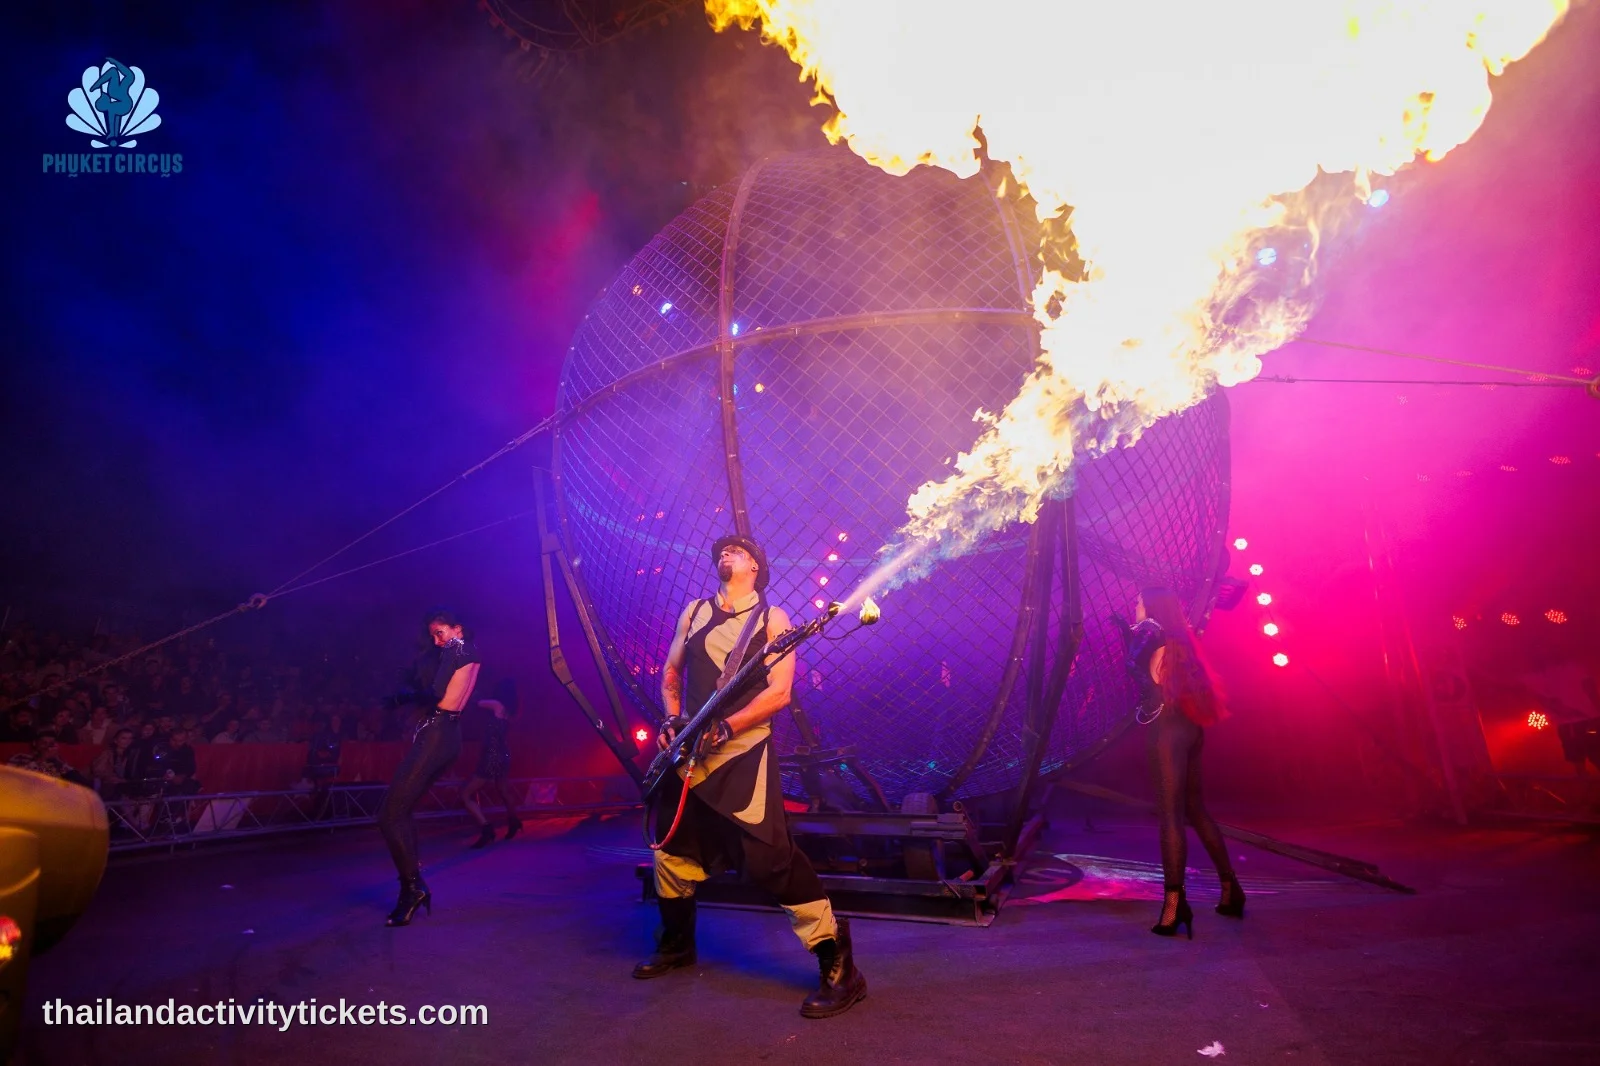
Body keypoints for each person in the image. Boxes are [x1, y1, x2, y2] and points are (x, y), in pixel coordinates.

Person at [635, 535, 866, 1019]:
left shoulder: (772, 620)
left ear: (757, 567)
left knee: (770, 862)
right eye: (721, 550)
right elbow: (670, 676)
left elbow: (779, 694)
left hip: (742, 755)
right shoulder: (695, 612)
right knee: (673, 855)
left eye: (738, 551)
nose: (726, 553)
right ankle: (677, 946)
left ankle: (840, 965)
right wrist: (672, 722)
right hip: (688, 757)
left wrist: (726, 726)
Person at [1124, 586, 1243, 939]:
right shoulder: (1178, 639)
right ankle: (1230, 890)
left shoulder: (1156, 641)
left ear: (1153, 605)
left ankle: (1174, 907)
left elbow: (1150, 679)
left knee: (1171, 818)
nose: (1135, 604)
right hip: (1188, 729)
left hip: (1166, 734)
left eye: (1139, 600)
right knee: (1195, 809)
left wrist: (1131, 641)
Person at [375, 608, 480, 926]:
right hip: (450, 736)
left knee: (390, 814)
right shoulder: (470, 652)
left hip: (438, 736)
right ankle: (413, 885)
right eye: (433, 635)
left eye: (441, 632)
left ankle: (412, 889)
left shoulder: (457, 648)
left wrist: (401, 698)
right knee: (399, 811)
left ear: (457, 629)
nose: (437, 641)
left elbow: (435, 693)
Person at [462, 690, 521, 848]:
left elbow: (476, 703)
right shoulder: (508, 713)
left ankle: (487, 829)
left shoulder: (496, 705)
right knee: (503, 790)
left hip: (492, 755)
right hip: (503, 754)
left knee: (466, 795)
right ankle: (514, 821)